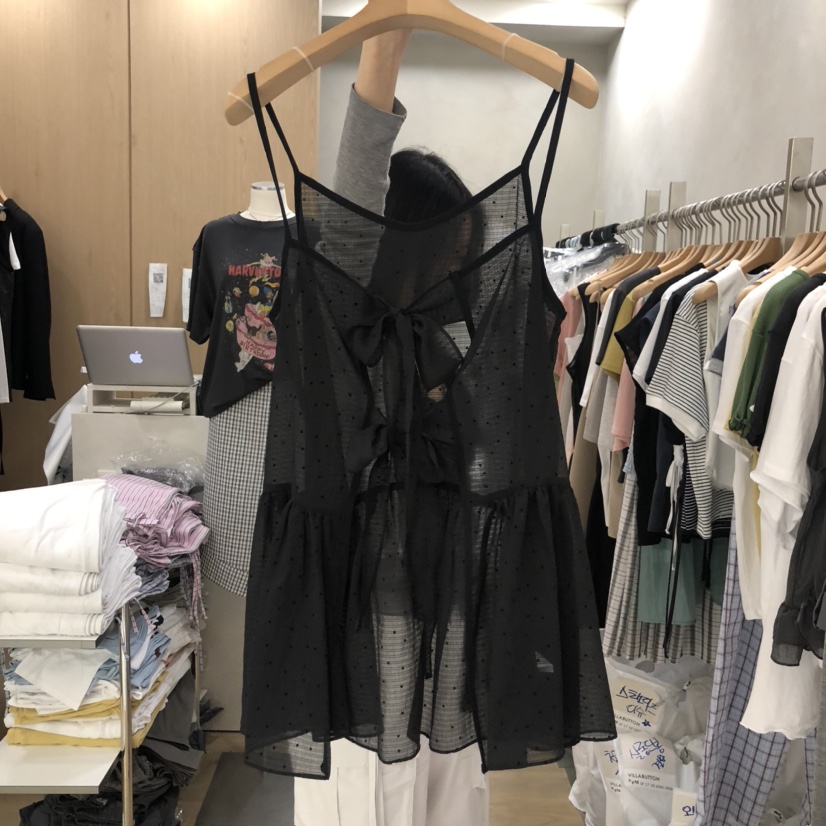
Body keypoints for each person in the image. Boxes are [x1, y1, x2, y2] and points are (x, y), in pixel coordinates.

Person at [292, 28, 491, 826]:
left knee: (443, 780)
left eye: (463, 260)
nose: (454, 275)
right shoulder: (352, 318)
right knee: (362, 780)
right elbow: (357, 186)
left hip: (446, 592)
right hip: (357, 597)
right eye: (446, 256)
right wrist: (385, 42)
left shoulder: (454, 333)